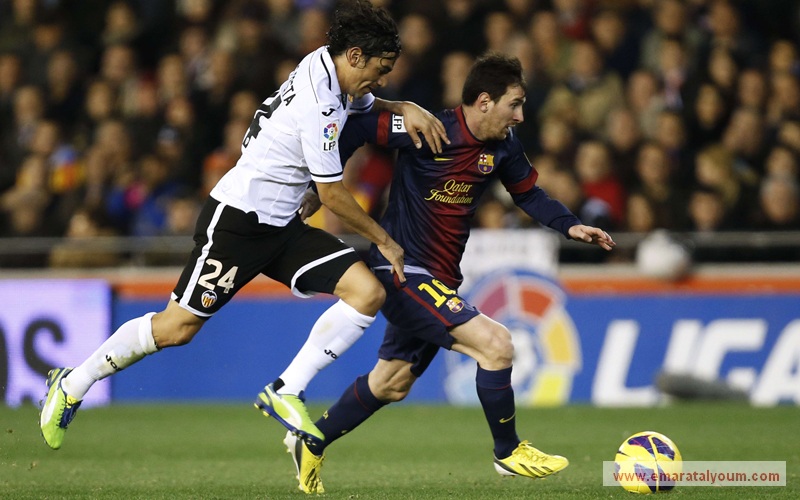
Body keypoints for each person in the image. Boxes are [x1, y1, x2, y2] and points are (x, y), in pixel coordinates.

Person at [39, 0, 449, 451]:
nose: (383, 79)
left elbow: (364, 102)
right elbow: (331, 194)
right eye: (380, 69)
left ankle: (286, 390)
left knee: (366, 292)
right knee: (177, 328)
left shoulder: (323, 63)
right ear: (354, 56)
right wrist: (385, 241)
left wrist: (401, 105)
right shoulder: (320, 104)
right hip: (238, 221)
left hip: (282, 226)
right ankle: (73, 383)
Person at [285, 54, 615, 493]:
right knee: (497, 345)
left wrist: (569, 225)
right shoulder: (428, 129)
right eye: (514, 104)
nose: (520, 116)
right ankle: (508, 452)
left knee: (392, 382)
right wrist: (319, 184)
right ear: (485, 101)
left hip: (440, 278)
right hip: (400, 269)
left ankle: (311, 440)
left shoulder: (504, 146)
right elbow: (358, 128)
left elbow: (528, 194)